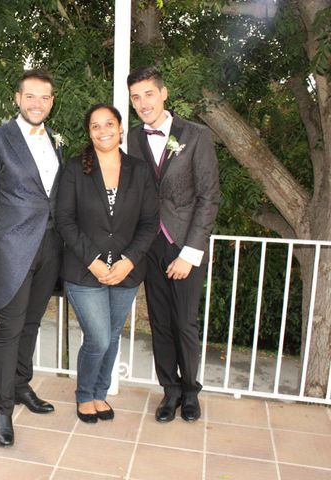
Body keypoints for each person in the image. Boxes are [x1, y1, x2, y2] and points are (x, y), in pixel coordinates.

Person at [0, 68, 63, 447]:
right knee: (7, 331)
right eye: (30, 96)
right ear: (17, 98)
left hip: (50, 249)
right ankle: (2, 412)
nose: (37, 103)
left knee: (32, 324)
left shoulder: (55, 140)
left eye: (44, 97)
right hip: (11, 250)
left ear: (51, 102)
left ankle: (22, 386)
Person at [126, 66, 220, 423]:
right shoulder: (133, 138)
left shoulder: (196, 135)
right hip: (150, 247)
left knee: (184, 323)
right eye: (136, 97)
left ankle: (191, 391)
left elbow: (208, 198)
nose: (142, 103)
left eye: (148, 94)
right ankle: (170, 391)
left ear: (163, 94)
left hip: (185, 246)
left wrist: (190, 253)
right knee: (160, 324)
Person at [56, 104, 158, 423]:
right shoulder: (75, 169)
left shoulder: (139, 171)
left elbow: (150, 222)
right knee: (99, 337)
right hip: (84, 272)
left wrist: (129, 260)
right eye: (96, 126)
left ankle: (100, 393)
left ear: (120, 127)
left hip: (126, 272)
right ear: (89, 132)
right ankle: (85, 394)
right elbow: (65, 220)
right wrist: (94, 261)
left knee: (112, 336)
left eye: (109, 124)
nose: (104, 131)